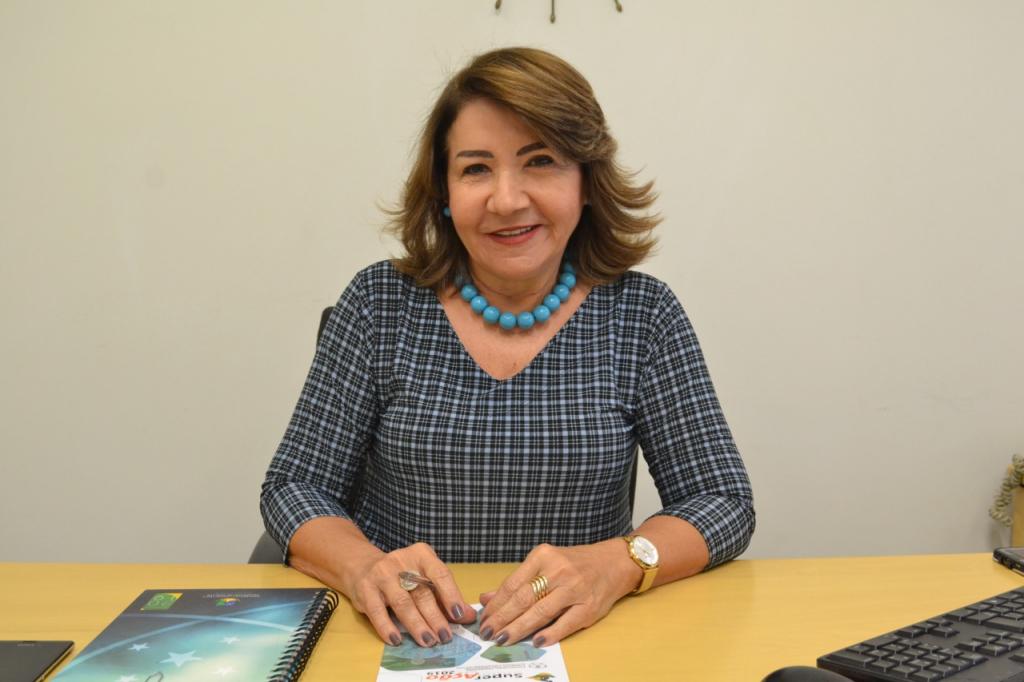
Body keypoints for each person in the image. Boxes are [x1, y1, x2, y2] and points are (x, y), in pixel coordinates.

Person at [260, 46, 754, 650]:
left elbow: (721, 500)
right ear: (443, 192)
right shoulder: (378, 303)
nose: (506, 200)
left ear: (587, 182)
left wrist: (618, 563)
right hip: (401, 638)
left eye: (540, 161)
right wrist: (364, 568)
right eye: (475, 169)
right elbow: (294, 485)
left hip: (577, 640)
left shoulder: (641, 314)